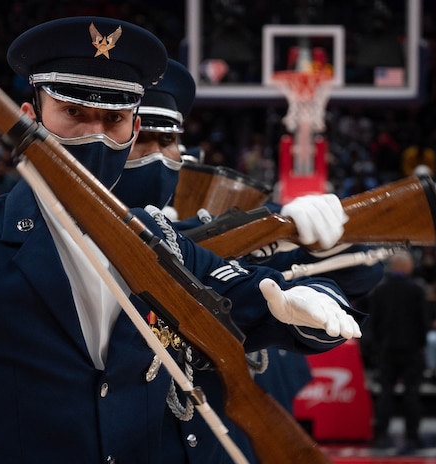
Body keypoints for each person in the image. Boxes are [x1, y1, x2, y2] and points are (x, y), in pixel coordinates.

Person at [0, 17, 364, 464]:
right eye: (73, 113)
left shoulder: (162, 239)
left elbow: (258, 300)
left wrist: (311, 306)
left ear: (133, 129)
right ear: (30, 118)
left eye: (113, 120)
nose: (95, 134)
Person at [113, 58, 383, 463]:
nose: (154, 154)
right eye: (142, 140)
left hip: (224, 430)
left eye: (165, 141)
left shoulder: (222, 225)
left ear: (185, 152)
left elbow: (362, 272)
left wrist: (322, 241)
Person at [367, 251, 431, 449]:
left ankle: (381, 434)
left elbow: (372, 322)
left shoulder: (380, 290)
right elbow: (424, 322)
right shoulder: (417, 290)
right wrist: (421, 345)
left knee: (385, 393)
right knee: (411, 393)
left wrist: (378, 345)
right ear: (406, 267)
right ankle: (412, 435)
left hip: (386, 349)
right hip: (411, 349)